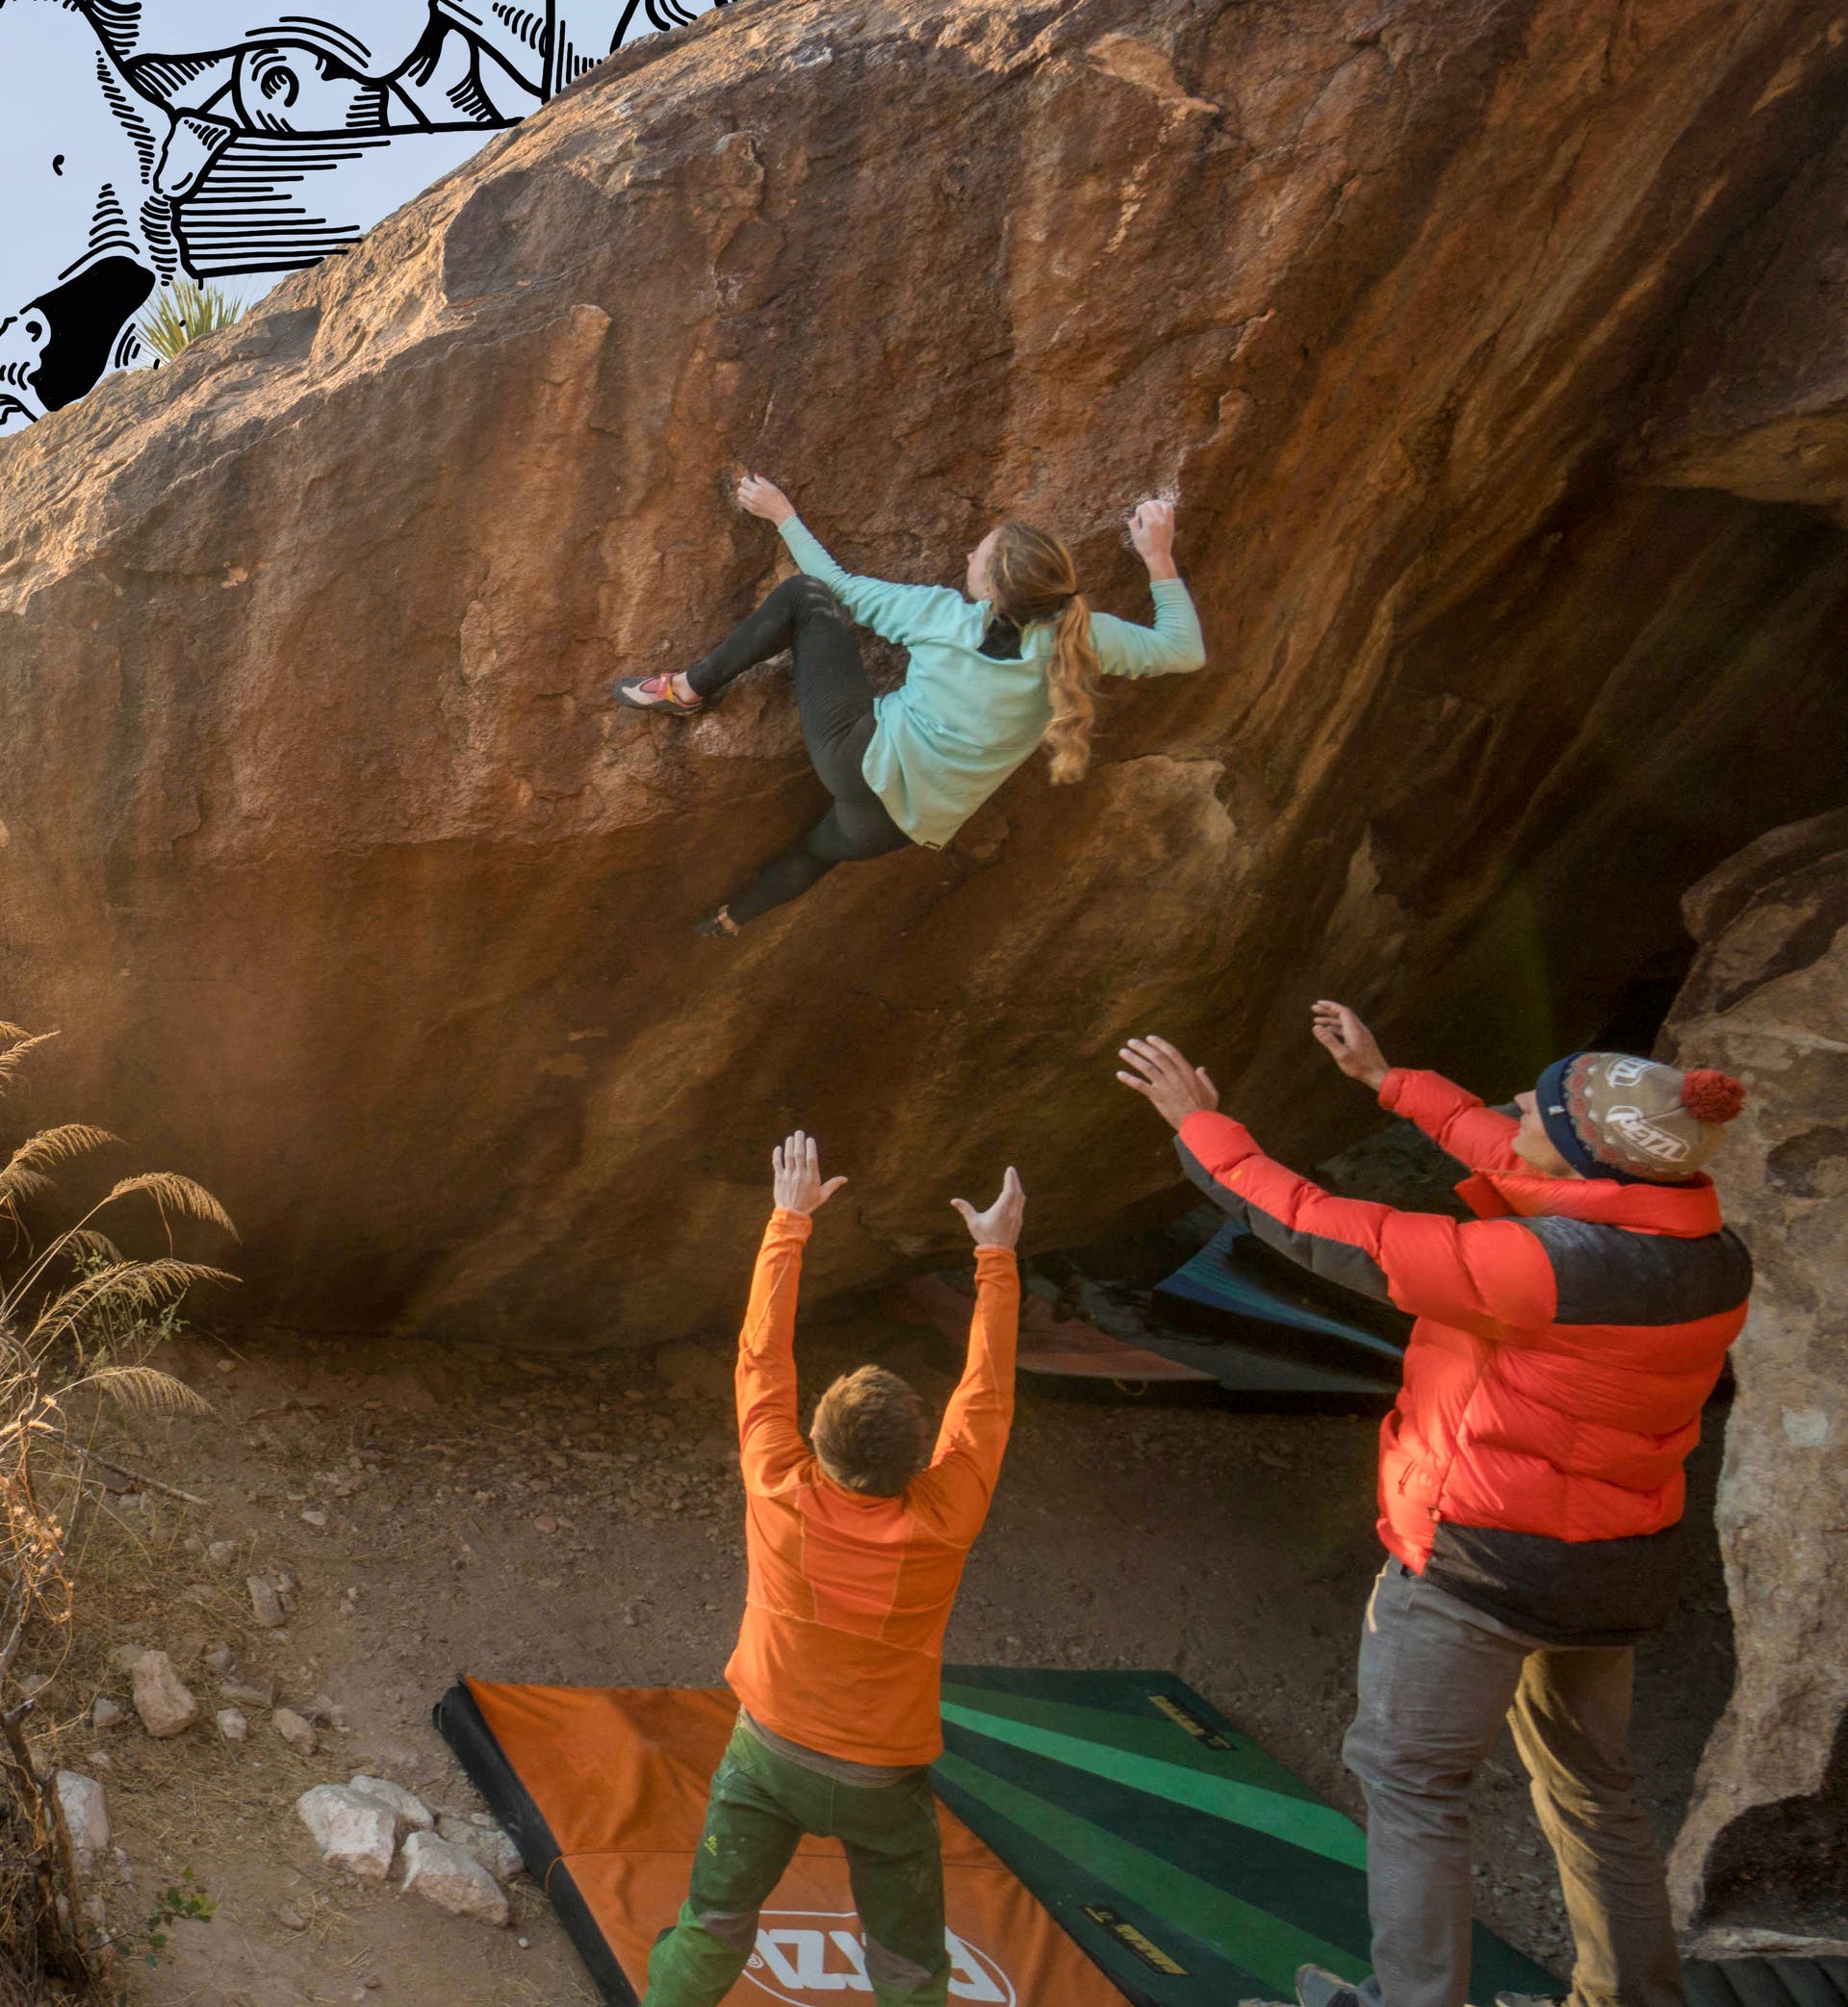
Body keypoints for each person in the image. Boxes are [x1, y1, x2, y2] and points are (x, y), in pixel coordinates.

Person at [1114, 1012, 1754, 2007]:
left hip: (1481, 1563)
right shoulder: (1709, 1249)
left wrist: (1202, 1126)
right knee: (1594, 1789)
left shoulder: (1544, 1268)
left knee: (1412, 1784)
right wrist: (1390, 1080)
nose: (1509, 1115)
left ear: (1591, 1155)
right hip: (1615, 1561)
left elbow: (1329, 1227)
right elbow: (1528, 1151)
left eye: (1532, 1110)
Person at [643, 1132, 1025, 2007]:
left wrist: (789, 1220)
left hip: (767, 1753)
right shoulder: (943, 1519)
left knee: (713, 1923)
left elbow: (760, 1360)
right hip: (881, 1784)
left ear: (815, 1439)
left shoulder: (778, 1484)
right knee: (908, 1962)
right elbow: (986, 1400)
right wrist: (995, 1258)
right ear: (918, 1459)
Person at [615, 476, 1205, 935]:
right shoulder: (1085, 638)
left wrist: (783, 516)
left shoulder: (944, 617)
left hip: (856, 755)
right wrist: (1158, 559)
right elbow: (1183, 651)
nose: (972, 551)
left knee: (803, 596)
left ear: (994, 590)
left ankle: (688, 689)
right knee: (818, 853)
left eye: (982, 553)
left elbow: (834, 586)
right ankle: (730, 919)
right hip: (901, 825)